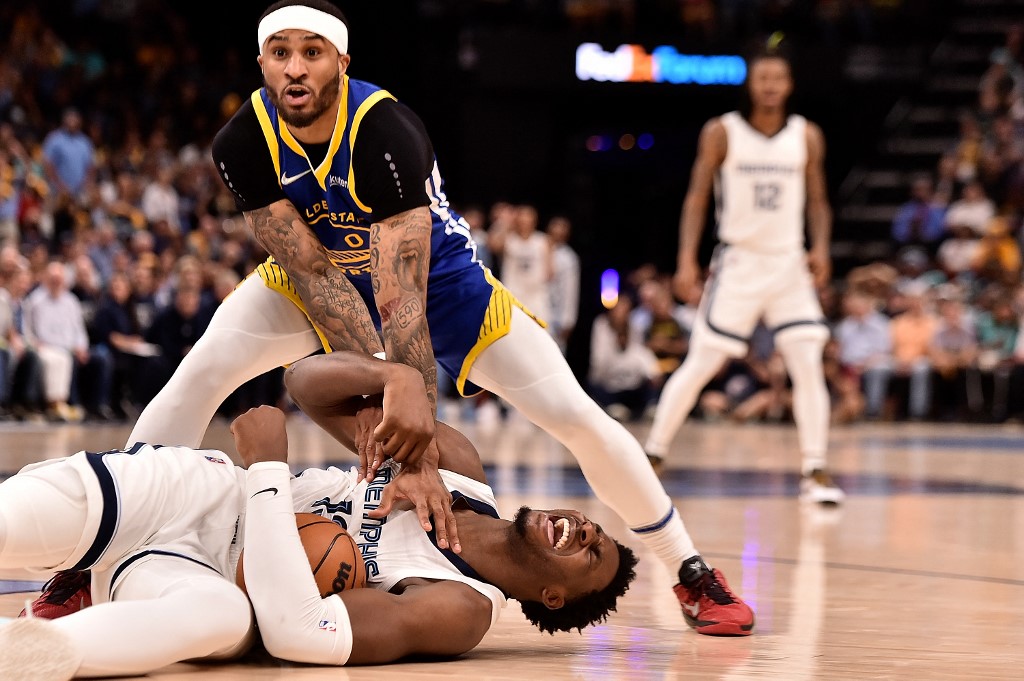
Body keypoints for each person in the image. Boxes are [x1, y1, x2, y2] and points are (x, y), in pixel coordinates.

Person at [109, 0, 753, 635]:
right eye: (282, 53)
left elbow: (402, 303)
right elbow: (317, 277)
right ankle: (100, 558)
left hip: (439, 285)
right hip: (316, 279)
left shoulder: (385, 131)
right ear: (262, 63)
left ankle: (689, 571)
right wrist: (379, 412)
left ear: (342, 61)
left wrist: (418, 451)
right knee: (202, 370)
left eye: (313, 52)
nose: (296, 69)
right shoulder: (242, 141)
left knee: (574, 414)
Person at [0, 351, 638, 678]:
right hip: (190, 494)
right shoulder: (459, 469)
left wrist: (271, 472)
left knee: (222, 618)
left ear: (554, 596)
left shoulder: (461, 607)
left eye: (592, 554)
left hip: (205, 577)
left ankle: (24, 649)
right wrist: (396, 381)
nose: (585, 531)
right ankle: (73, 585)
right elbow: (305, 381)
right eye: (595, 528)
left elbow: (297, 636)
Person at [643, 46, 844, 505]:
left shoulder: (806, 135)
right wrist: (687, 259)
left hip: (789, 262)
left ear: (789, 85)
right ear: (751, 84)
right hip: (739, 261)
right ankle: (653, 454)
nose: (771, 85)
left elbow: (817, 199)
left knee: (807, 364)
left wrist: (822, 248)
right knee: (702, 362)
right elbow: (696, 198)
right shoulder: (722, 132)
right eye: (763, 78)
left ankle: (815, 469)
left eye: (779, 78)